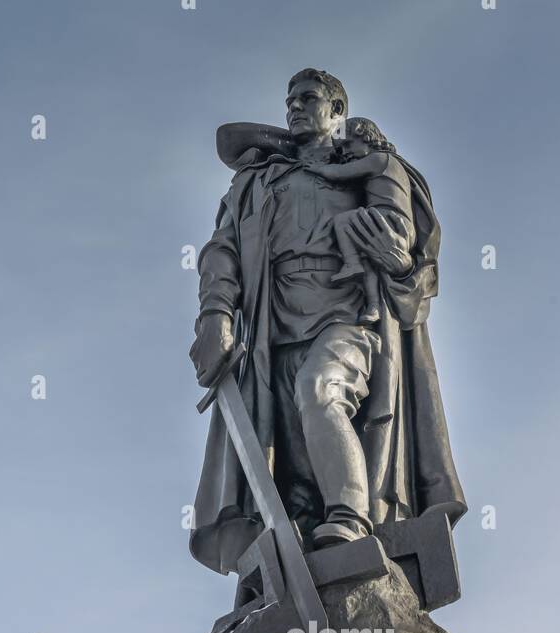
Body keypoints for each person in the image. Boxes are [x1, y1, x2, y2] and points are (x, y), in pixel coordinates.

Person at [189, 67, 467, 569]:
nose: (295, 107)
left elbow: (406, 246)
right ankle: (299, 566)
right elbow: (221, 251)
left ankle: (350, 521)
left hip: (348, 312)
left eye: (309, 98)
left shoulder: (372, 166)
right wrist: (215, 311)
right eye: (289, 100)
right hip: (272, 326)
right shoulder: (257, 181)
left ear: (337, 111)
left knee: (321, 390)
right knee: (288, 462)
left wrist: (398, 257)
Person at [319, 117, 415, 324]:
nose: (344, 153)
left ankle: (351, 264)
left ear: (367, 137)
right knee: (367, 257)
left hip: (385, 219)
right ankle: (373, 306)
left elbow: (340, 173)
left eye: (347, 144)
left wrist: (318, 169)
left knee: (343, 221)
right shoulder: (396, 164)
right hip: (399, 225)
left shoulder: (379, 159)